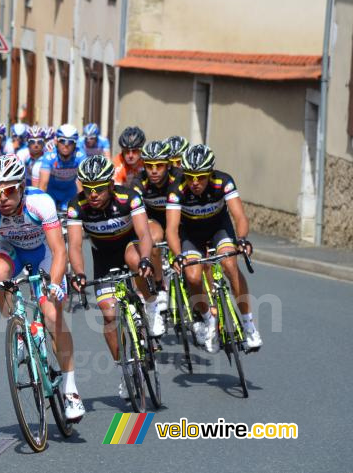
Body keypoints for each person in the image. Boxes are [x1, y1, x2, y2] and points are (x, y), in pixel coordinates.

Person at [0, 155, 85, 421]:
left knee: (53, 317)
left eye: (8, 190)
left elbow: (58, 250)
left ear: (21, 187)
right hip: (11, 251)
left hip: (43, 253)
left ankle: (70, 390)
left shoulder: (40, 202)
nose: (2, 197)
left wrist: (54, 283)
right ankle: (18, 326)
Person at [67, 155, 164, 399]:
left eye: (99, 188)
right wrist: (79, 274)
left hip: (129, 246)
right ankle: (125, 370)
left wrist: (145, 259)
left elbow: (143, 232)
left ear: (110, 185)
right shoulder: (76, 206)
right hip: (103, 259)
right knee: (109, 316)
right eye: (88, 189)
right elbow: (76, 246)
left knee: (136, 261)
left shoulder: (128, 198)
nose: (93, 195)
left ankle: (151, 306)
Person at [165, 144, 262, 353]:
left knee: (229, 264)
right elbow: (172, 229)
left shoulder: (223, 181)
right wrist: (178, 255)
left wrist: (242, 239)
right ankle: (208, 319)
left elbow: (239, 216)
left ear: (209, 173)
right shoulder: (177, 189)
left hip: (219, 228)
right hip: (191, 234)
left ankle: (248, 324)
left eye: (200, 177)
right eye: (190, 177)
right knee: (192, 276)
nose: (195, 182)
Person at [132, 140, 179, 311]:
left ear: (168, 165)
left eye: (159, 165)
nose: (153, 170)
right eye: (149, 165)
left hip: (177, 217)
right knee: (154, 240)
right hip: (154, 218)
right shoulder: (139, 181)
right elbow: (136, 211)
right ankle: (160, 284)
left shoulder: (179, 177)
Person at [36, 124, 86, 211]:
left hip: (69, 193)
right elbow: (42, 185)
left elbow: (82, 184)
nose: (66, 145)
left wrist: (84, 205)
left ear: (75, 143)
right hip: (51, 192)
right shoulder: (49, 156)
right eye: (62, 141)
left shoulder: (81, 155)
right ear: (56, 141)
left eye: (70, 142)